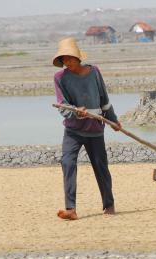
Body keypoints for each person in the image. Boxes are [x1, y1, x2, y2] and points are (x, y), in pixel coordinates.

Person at [52, 37, 121, 220]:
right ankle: (71, 209)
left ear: (78, 58)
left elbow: (104, 100)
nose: (68, 63)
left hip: (95, 129)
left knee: (100, 166)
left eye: (70, 58)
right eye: (64, 60)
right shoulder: (60, 78)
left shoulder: (94, 72)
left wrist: (113, 120)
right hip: (73, 130)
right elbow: (62, 105)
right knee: (67, 162)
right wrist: (76, 112)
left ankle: (109, 205)